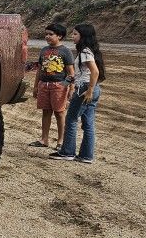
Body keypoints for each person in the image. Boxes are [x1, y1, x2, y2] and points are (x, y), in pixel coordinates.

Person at [50, 23, 105, 163]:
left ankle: (67, 152)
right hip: (93, 88)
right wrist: (64, 84)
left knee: (71, 119)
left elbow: (95, 72)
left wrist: (89, 91)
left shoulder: (85, 52)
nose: (72, 36)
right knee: (88, 123)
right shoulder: (89, 51)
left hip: (85, 89)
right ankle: (86, 156)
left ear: (83, 36)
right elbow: (80, 74)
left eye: (75, 34)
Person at [29, 22, 75, 149]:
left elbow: (71, 72)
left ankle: (61, 141)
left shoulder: (66, 51)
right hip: (44, 85)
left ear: (59, 36)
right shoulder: (44, 50)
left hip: (58, 86)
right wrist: (36, 86)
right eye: (46, 34)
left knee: (60, 113)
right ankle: (44, 139)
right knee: (46, 112)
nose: (47, 37)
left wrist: (67, 87)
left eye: (51, 34)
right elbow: (39, 69)